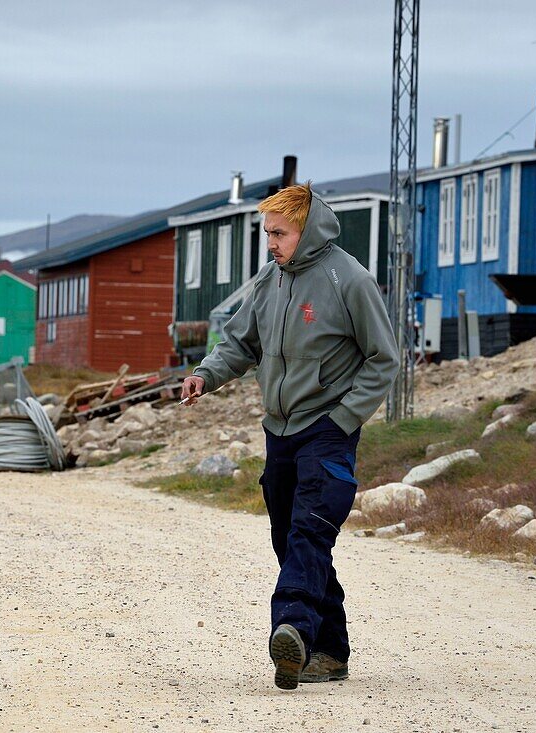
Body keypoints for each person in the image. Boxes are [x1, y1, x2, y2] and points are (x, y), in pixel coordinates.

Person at [180, 182, 399, 690]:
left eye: (279, 233)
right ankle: (330, 650)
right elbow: (239, 343)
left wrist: (344, 418)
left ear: (308, 229)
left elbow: (384, 358)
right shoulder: (270, 281)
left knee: (309, 530)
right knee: (291, 538)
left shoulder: (350, 280)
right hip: (279, 430)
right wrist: (204, 375)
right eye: (267, 233)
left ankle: (293, 632)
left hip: (327, 430)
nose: (271, 243)